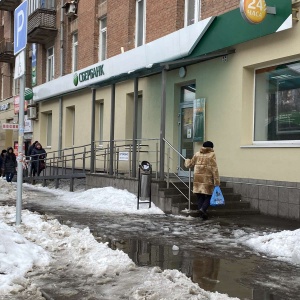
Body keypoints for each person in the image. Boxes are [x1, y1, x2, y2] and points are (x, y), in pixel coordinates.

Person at [185, 141, 220, 220]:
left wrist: (186, 160)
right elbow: (214, 169)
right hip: (207, 179)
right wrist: (216, 181)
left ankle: (201, 214)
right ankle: (202, 209)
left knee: (200, 196)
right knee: (210, 195)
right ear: (211, 147)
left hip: (198, 179)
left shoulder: (197, 154)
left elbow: (190, 164)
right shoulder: (212, 155)